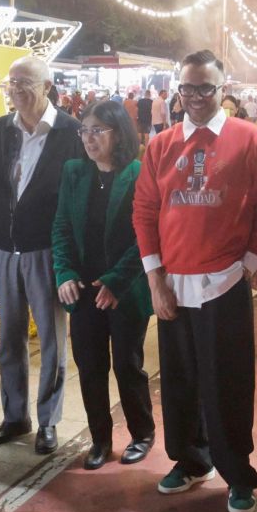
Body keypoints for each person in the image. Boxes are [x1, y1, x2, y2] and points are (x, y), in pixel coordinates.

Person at [134, 49, 257, 512]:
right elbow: (145, 212)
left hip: (222, 283)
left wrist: (250, 262)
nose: (196, 97)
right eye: (188, 88)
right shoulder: (161, 145)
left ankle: (237, 472)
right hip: (174, 282)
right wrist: (155, 279)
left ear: (223, 90)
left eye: (206, 88)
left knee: (228, 383)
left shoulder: (251, 139)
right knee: (178, 380)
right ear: (178, 91)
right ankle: (191, 460)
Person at [0, 55, 82, 453]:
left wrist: (74, 260)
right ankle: (15, 416)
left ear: (47, 87)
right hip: (3, 248)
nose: (15, 90)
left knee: (52, 338)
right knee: (9, 337)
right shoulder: (1, 131)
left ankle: (48, 420)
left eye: (25, 83)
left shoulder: (70, 131)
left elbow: (78, 198)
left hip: (46, 249)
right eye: (11, 82)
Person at [52, 99, 154, 469]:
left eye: (98, 131)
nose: (89, 138)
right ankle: (100, 439)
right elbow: (62, 226)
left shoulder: (138, 173)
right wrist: (63, 274)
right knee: (91, 366)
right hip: (83, 290)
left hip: (124, 290)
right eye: (85, 130)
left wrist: (115, 280)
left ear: (118, 133)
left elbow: (145, 236)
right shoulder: (74, 172)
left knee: (128, 366)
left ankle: (141, 433)